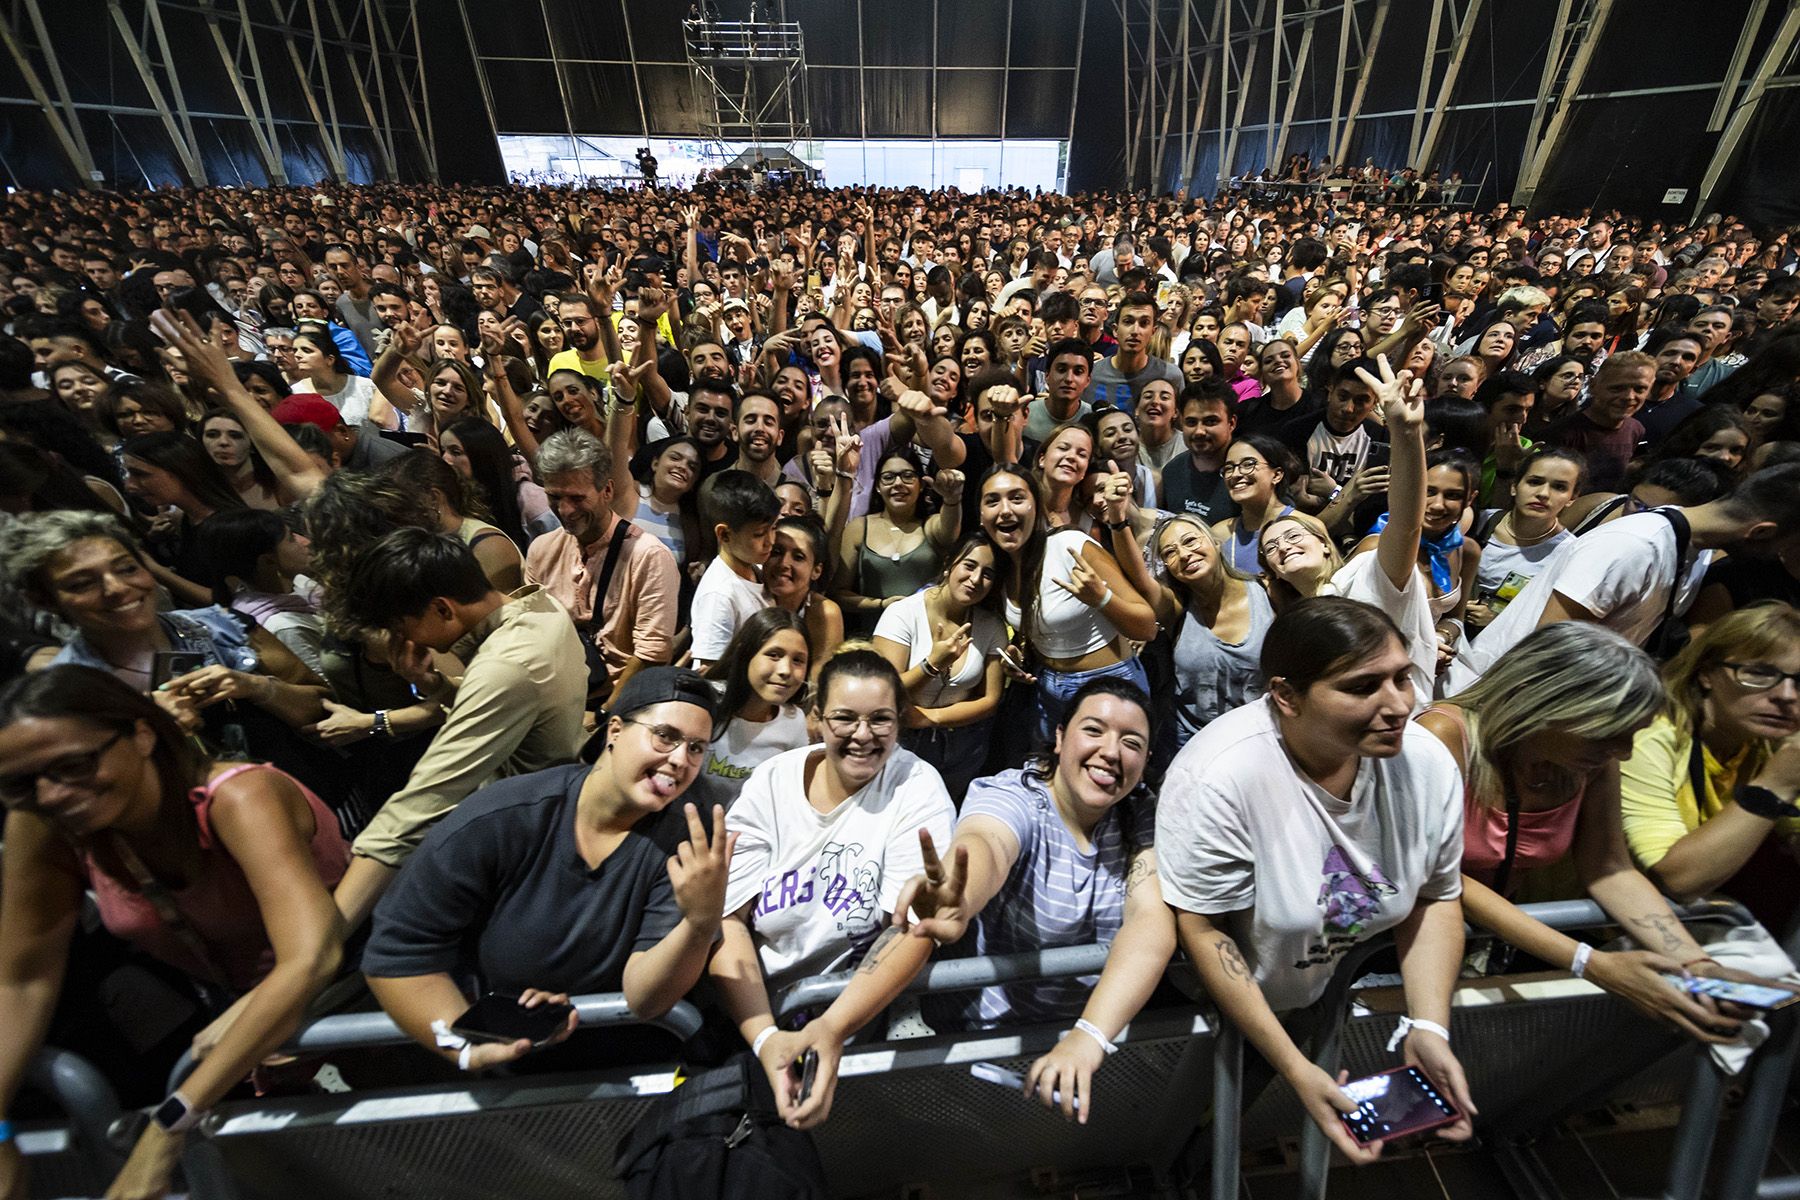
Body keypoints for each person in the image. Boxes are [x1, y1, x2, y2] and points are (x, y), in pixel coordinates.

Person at [0, 666, 346, 1200]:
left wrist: (169, 1126)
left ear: (141, 733)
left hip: (356, 1006)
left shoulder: (239, 797)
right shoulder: (47, 823)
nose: (50, 794)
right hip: (246, 1041)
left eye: (74, 764)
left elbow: (311, 958)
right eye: (21, 783)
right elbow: (20, 983)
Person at [1157, 597, 1474, 1165]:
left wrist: (1428, 1023)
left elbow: (1435, 895)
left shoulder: (1426, 764)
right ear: (1285, 696)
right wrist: (1294, 1067)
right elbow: (1204, 929)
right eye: (1362, 687)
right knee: (1176, 1122)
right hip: (1209, 1006)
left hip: (1315, 992)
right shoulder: (1221, 777)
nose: (1398, 704)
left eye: (1403, 677)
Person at [362, 668, 734, 1071]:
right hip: (488, 1071)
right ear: (614, 732)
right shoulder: (504, 817)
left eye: (697, 748)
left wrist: (699, 924)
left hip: (613, 1067)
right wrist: (467, 1047)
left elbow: (646, 998)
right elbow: (399, 954)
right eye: (665, 735)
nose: (680, 759)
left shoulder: (685, 840)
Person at [1419, 623, 1769, 1043]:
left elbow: (1610, 870)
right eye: (1609, 733)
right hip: (1398, 949)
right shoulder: (1440, 738)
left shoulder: (1591, 762)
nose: (1622, 752)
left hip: (1482, 949)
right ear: (1547, 703)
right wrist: (1589, 963)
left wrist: (1695, 964)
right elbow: (1440, 878)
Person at [710, 651, 955, 1130]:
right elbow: (729, 919)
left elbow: (909, 930)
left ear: (900, 722)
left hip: (852, 1015)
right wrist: (764, 1039)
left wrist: (832, 1030)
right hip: (754, 1009)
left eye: (880, 720)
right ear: (817, 716)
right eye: (845, 718)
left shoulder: (916, 787)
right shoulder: (773, 781)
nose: (863, 736)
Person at [330, 528, 588, 930]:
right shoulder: (539, 604)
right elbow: (506, 702)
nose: (404, 640)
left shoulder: (505, 665)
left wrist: (327, 935)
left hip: (525, 842)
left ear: (443, 610)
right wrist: (432, 684)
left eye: (402, 627)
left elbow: (425, 798)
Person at [892, 679, 1158, 1038]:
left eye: (1131, 743)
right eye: (1094, 730)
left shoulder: (1142, 812)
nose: (1111, 751)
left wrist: (1089, 1037)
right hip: (981, 1043)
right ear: (1060, 738)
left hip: (1083, 1045)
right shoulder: (1016, 795)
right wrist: (960, 896)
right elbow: (988, 842)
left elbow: (1150, 917)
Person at [1444, 464, 1800, 693]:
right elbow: (1546, 648)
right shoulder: (1632, 546)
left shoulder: (1695, 548)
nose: (1787, 560)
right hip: (1501, 696)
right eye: (1790, 546)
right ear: (1762, 532)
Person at [1259, 356, 1438, 704]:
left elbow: (1405, 524)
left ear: (1326, 545)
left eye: (1293, 535)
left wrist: (1405, 431)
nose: (1283, 545)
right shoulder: (1298, 625)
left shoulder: (1365, 574)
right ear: (1275, 574)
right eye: (1271, 548)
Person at [1622, 605, 1800, 933]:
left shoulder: (1766, 741)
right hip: (1580, 934)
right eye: (1759, 674)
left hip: (1676, 932)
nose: (1786, 696)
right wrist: (1775, 787)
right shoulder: (1648, 738)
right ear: (1706, 673)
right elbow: (1678, 880)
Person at [526, 429, 679, 705]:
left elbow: (650, 657)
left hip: (618, 699)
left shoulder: (649, 556)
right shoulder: (541, 550)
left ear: (607, 490)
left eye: (576, 498)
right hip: (555, 694)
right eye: (554, 497)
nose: (564, 510)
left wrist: (602, 716)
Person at [874, 531, 1009, 802]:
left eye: (988, 574)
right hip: (902, 737)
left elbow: (990, 699)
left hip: (963, 743)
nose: (975, 579)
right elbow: (883, 691)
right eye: (969, 566)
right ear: (949, 564)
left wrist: (931, 718)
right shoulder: (903, 613)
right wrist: (932, 664)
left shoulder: (991, 625)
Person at [835, 450, 963, 635]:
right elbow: (839, 594)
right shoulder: (858, 528)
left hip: (927, 637)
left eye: (908, 476)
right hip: (874, 638)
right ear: (878, 486)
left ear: (920, 485)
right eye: (888, 477)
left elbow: (950, 532)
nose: (898, 483)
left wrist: (952, 499)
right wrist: (880, 604)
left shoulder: (930, 525)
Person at [700, 609, 814, 802]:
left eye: (798, 660)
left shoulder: (794, 722)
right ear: (745, 654)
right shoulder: (704, 705)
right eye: (774, 655)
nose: (786, 670)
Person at [690, 470, 779, 672]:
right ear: (725, 534)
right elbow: (709, 670)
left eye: (773, 528)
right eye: (759, 534)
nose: (770, 541)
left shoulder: (755, 567)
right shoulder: (719, 594)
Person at [1211, 433, 1301, 576]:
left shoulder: (1303, 527)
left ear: (1277, 475)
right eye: (1229, 468)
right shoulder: (1220, 534)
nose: (1235, 474)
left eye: (1248, 465)